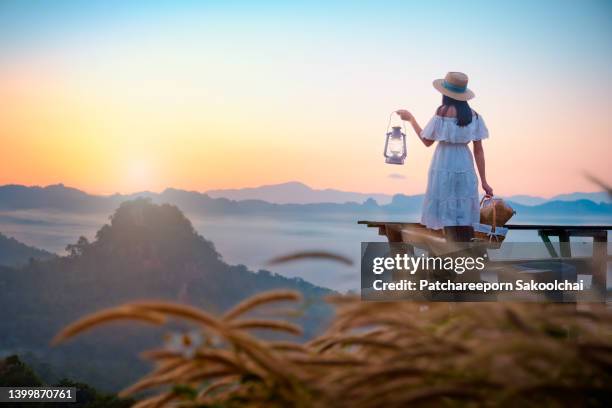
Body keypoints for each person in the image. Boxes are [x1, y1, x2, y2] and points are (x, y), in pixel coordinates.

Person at [396, 72, 493, 241]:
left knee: (443, 209)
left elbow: (427, 141)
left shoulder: (442, 112)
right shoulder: (474, 116)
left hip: (443, 161)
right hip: (465, 162)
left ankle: (445, 257)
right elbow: (479, 150)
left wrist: (411, 119)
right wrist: (484, 181)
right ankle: (463, 256)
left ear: (445, 94)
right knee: (462, 214)